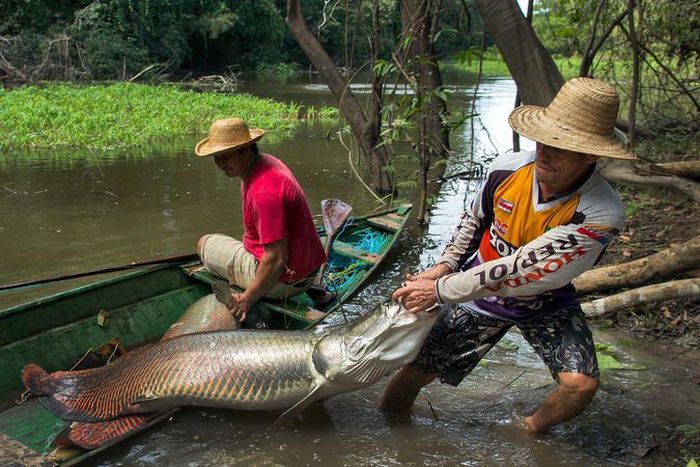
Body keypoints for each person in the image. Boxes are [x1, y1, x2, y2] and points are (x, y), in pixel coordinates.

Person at [380, 77, 636, 434]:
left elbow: (520, 269)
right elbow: (474, 222)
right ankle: (392, 433)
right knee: (414, 374)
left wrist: (438, 290)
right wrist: (443, 266)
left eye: (560, 147)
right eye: (543, 141)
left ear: (590, 154)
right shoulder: (508, 169)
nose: (544, 153)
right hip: (476, 295)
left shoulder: (599, 213)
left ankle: (526, 430)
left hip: (545, 300)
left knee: (580, 386)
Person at [194, 117, 327, 322]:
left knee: (204, 243)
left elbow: (275, 258)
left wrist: (247, 299)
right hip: (308, 272)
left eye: (225, 157)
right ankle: (313, 290)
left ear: (245, 151)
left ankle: (264, 288)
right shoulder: (267, 162)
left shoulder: (264, 192)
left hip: (283, 281)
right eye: (216, 157)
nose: (220, 164)